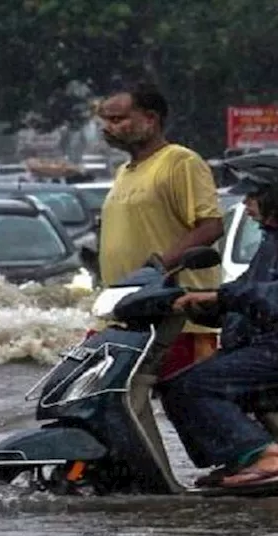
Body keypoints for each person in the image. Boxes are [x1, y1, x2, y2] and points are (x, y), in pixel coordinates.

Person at [159, 154, 278, 487]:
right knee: (175, 385)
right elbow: (246, 291)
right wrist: (195, 303)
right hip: (264, 345)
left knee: (193, 386)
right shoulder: (277, 239)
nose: (245, 203)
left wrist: (222, 298)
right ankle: (238, 458)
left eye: (252, 195)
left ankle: (266, 456)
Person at [96, 81, 224, 377]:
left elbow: (210, 226)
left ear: (150, 119)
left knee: (188, 406)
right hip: (123, 315)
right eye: (105, 121)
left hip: (176, 319)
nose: (108, 128)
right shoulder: (123, 172)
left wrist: (156, 269)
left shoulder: (180, 161)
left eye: (118, 119)